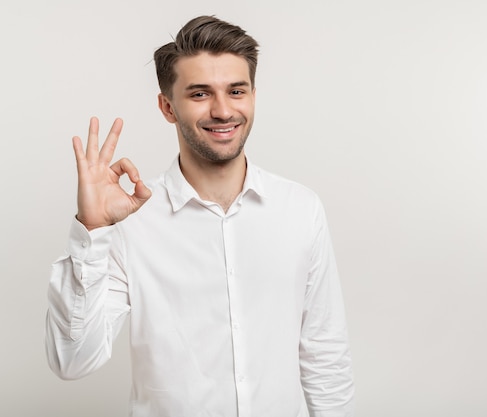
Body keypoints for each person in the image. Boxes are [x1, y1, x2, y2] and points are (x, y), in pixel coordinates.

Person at [45, 15, 354, 417]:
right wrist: (93, 230)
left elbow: (325, 354)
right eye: (200, 94)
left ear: (253, 96)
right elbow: (72, 361)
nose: (223, 110)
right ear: (167, 107)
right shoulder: (130, 222)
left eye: (236, 90)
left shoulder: (301, 209)